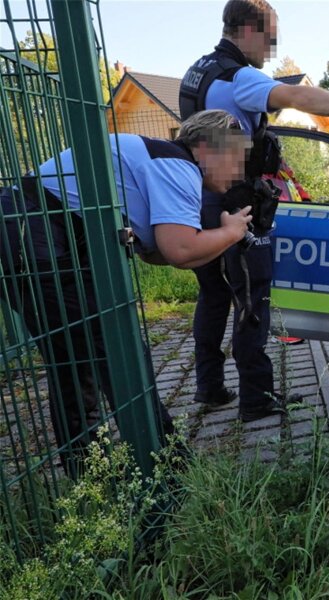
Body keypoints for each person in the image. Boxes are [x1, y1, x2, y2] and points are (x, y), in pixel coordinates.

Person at [179, 0, 329, 423]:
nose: (271, 48)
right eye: (270, 37)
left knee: (213, 296)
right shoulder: (239, 77)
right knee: (252, 297)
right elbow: (301, 95)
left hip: (197, 198)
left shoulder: (199, 70)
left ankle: (209, 388)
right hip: (236, 201)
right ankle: (256, 399)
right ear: (248, 29)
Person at [0, 109, 253, 476]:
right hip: (37, 234)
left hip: (26, 227)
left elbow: (158, 252)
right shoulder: (177, 165)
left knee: (73, 359)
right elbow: (181, 251)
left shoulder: (161, 157)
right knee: (119, 349)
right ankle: (170, 468)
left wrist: (216, 237)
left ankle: (90, 474)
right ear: (207, 148)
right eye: (235, 157)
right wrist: (231, 233)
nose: (239, 171)